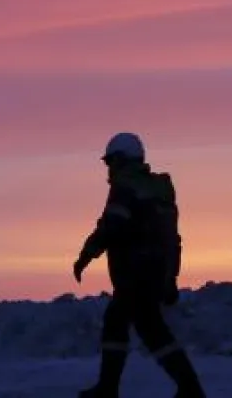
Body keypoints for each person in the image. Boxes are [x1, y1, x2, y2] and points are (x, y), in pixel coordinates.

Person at [73, 132, 206, 398]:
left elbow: (111, 225)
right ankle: (185, 387)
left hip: (134, 273)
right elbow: (172, 239)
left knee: (135, 325)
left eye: (110, 161)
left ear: (121, 159)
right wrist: (170, 278)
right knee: (137, 324)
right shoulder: (159, 191)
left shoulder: (125, 187)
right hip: (155, 272)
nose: (108, 168)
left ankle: (186, 388)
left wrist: (86, 255)